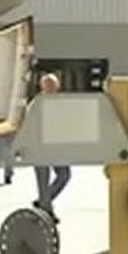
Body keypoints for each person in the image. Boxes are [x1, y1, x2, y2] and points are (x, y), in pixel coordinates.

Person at [31, 73, 71, 220]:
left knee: (64, 175)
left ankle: (44, 201)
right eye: (47, 85)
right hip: (39, 146)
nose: (50, 88)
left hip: (57, 146)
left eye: (52, 85)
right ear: (42, 86)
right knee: (43, 179)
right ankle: (47, 210)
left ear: (57, 86)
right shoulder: (36, 103)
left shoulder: (61, 103)